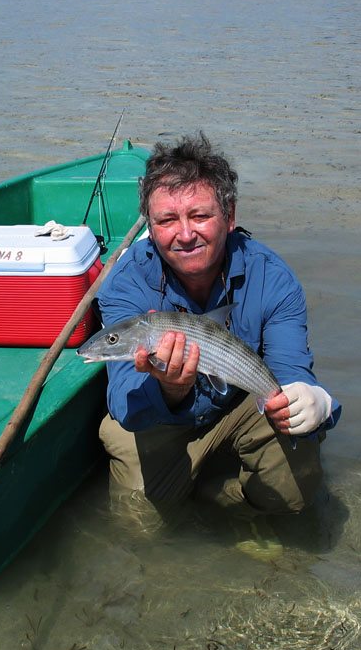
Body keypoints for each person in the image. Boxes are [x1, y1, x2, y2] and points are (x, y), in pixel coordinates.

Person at [95, 133, 341, 521]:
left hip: (238, 401)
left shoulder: (273, 278)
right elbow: (125, 396)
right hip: (157, 417)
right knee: (136, 518)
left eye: (200, 215)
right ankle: (199, 490)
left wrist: (315, 402)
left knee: (293, 494)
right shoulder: (125, 283)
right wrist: (171, 388)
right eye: (166, 220)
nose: (186, 234)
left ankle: (219, 495)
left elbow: (291, 369)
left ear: (230, 214)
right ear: (151, 225)